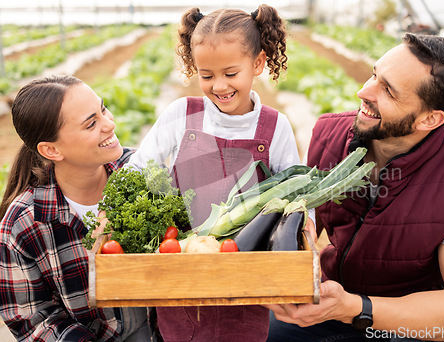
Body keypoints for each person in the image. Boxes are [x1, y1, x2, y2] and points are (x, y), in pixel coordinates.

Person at [266, 33, 444, 342]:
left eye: (387, 90)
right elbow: (304, 224)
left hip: (418, 322)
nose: (363, 91)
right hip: (335, 297)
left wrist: (354, 307)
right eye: (375, 75)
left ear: (430, 119)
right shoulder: (330, 133)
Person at [125, 4, 312, 341]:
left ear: (257, 64)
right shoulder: (182, 114)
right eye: (206, 75)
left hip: (246, 274)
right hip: (182, 264)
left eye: (230, 73)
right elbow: (137, 169)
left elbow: (296, 192)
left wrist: (306, 226)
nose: (218, 86)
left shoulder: (274, 125)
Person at [0, 75, 153, 341]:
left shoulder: (143, 173)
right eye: (91, 124)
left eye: (103, 109)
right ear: (51, 150)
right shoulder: (22, 225)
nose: (110, 124)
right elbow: (35, 321)